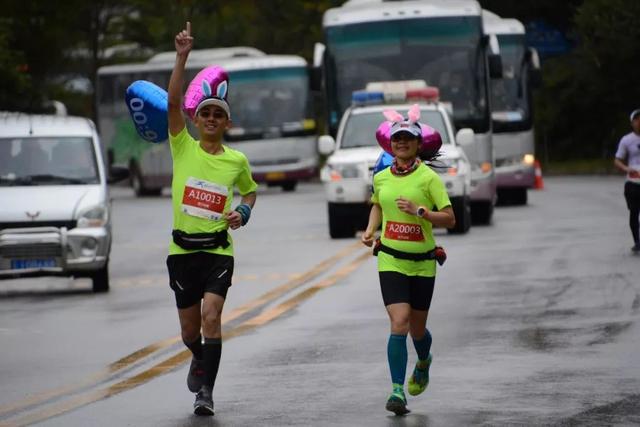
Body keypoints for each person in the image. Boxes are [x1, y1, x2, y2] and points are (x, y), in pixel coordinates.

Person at [167, 21, 257, 416]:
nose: (211, 119)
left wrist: (243, 210)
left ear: (226, 123)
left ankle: (206, 393)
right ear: (196, 119)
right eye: (205, 113)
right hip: (182, 251)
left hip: (219, 251)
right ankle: (198, 357)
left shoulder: (237, 160)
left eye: (218, 115)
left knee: (211, 317)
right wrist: (182, 56)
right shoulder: (182, 146)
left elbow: (251, 189)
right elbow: (172, 104)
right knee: (190, 332)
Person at [362, 108, 455, 416]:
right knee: (399, 322)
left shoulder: (429, 179)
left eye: (408, 139)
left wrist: (422, 212)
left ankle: (424, 361)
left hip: (423, 262)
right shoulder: (381, 176)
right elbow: (377, 204)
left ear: (418, 145)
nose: (401, 143)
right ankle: (397, 391)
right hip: (391, 259)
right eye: (397, 138)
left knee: (418, 329)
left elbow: (451, 219)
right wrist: (371, 229)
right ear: (391, 144)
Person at [614, 109, 640, 253]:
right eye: (636, 119)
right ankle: (637, 241)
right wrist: (626, 168)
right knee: (634, 212)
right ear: (632, 123)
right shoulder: (627, 140)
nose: (639, 121)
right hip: (633, 182)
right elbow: (617, 160)